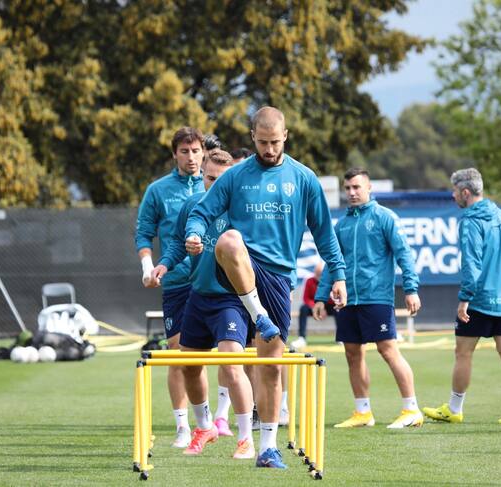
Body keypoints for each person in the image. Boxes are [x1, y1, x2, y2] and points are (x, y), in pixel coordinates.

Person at [184, 106, 347, 469]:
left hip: (277, 277)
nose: (269, 149)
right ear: (252, 137)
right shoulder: (235, 175)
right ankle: (258, 314)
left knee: (270, 367)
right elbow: (201, 212)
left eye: (275, 142)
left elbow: (325, 233)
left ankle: (268, 448)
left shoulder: (304, 178)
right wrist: (194, 234)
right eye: (262, 142)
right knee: (228, 241)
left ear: (285, 136)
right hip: (237, 270)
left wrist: (338, 275)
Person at [154, 149, 256, 459]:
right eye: (210, 179)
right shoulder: (192, 206)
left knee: (232, 363)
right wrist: (165, 264)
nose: (215, 186)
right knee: (189, 365)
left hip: (231, 299)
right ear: (203, 177)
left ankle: (246, 438)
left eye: (222, 181)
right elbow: (177, 243)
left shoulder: (244, 209)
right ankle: (204, 427)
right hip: (198, 295)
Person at [314, 167, 423, 429]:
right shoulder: (342, 224)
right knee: (352, 354)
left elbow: (404, 254)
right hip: (347, 300)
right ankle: (363, 413)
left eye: (356, 187)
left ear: (369, 187)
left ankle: (412, 409)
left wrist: (411, 289)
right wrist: (320, 296)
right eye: (348, 188)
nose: (351, 192)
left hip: (377, 297)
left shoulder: (385, 217)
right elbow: (332, 262)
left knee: (388, 350)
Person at [423, 168, 501, 425]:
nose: (453, 195)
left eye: (455, 191)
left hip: (480, 299)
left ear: (465, 192)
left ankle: (454, 409)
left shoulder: (471, 220)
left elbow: (471, 263)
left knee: (463, 353)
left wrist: (465, 299)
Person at [135, 126, 205, 448]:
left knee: (227, 354)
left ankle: (221, 421)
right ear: (174, 154)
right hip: (176, 282)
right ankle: (182, 427)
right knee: (178, 355)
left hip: (212, 282)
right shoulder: (158, 190)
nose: (191, 157)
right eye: (184, 151)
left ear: (204, 152)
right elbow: (144, 233)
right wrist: (148, 269)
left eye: (196, 151)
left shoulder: (215, 185)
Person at [290, 261, 335, 349]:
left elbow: (333, 299)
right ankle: (302, 338)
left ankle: (341, 338)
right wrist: (317, 307)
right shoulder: (309, 281)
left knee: (338, 310)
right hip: (313, 306)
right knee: (303, 308)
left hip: (328, 306)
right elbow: (306, 298)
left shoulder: (330, 281)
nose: (319, 276)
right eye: (317, 273)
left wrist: (323, 307)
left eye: (320, 274)